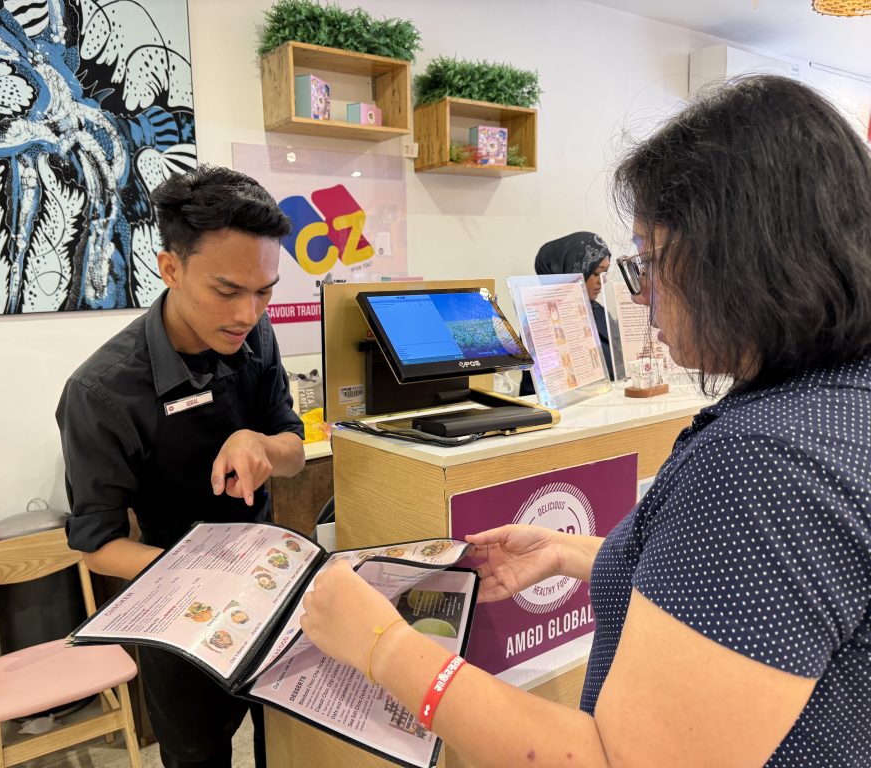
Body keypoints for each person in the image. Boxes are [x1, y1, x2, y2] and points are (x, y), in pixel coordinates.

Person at [299, 75, 871, 767]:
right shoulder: (834, 406)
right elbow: (757, 603)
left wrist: (382, 646)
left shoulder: (764, 465)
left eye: (649, 261)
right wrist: (576, 555)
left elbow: (611, 760)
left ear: (737, 257)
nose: (641, 294)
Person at [56, 165, 305, 768]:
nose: (248, 312)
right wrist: (209, 574)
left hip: (270, 590)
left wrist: (259, 443)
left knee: (288, 744)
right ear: (170, 268)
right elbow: (98, 546)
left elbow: (294, 452)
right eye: (228, 290)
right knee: (197, 752)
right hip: (177, 610)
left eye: (265, 291)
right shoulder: (102, 392)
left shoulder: (256, 336)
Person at [520, 232, 615, 396]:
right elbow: (543, 388)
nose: (602, 281)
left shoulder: (598, 311)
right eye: (596, 273)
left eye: (605, 273)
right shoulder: (541, 320)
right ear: (574, 269)